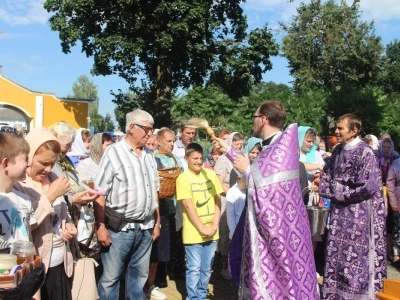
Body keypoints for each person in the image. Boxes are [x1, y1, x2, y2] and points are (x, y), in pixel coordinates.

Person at [214, 100, 319, 299]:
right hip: (279, 228)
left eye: (254, 117)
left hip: (275, 234)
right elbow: (259, 178)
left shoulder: (278, 151)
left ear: (263, 119)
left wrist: (246, 168)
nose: (252, 122)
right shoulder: (277, 149)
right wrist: (228, 151)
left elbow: (265, 190)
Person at [94, 109, 161, 300]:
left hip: (146, 227)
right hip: (119, 228)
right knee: (110, 279)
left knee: (138, 278)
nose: (150, 133)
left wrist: (157, 222)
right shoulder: (114, 153)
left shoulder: (149, 155)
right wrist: (101, 227)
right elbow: (100, 194)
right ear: (132, 128)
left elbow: (154, 192)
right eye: (147, 129)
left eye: (151, 129)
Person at [319, 113, 386, 299]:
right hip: (339, 214)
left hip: (359, 216)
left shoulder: (365, 153)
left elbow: (369, 186)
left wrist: (338, 190)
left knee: (355, 259)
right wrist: (329, 186)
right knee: (336, 255)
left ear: (354, 130)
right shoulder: (338, 150)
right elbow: (326, 175)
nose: (336, 131)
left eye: (340, 128)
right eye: (337, 128)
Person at [14, 127, 78, 300]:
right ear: (29, 156)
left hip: (60, 264)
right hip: (37, 268)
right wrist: (49, 196)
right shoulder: (20, 185)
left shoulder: (53, 179)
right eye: (43, 163)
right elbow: (24, 224)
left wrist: (69, 226)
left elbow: (63, 215)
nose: (48, 169)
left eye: (52, 163)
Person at [176, 142, 222, 300]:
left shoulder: (210, 174)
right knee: (194, 267)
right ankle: (193, 297)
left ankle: (201, 295)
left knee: (207, 268)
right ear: (186, 158)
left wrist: (215, 225)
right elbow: (188, 207)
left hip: (212, 231)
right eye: (194, 158)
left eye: (201, 158)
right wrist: (202, 228)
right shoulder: (183, 178)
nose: (198, 161)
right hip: (194, 232)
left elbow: (217, 200)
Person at [143, 128, 184, 300]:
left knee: (171, 245)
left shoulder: (176, 159)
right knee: (158, 247)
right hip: (160, 208)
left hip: (174, 207)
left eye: (173, 141)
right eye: (168, 141)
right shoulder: (153, 160)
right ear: (158, 141)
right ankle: (152, 283)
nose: (172, 144)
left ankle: (168, 275)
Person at [214, 132, 244, 279]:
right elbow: (218, 182)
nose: (239, 146)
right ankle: (225, 266)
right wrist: (232, 193)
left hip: (241, 197)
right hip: (228, 198)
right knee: (226, 232)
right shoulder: (222, 160)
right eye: (236, 143)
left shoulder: (241, 159)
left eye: (241, 143)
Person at [0, 133, 35, 251]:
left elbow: (28, 238)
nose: (29, 163)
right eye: (25, 159)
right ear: (6, 164)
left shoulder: (24, 199)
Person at [377, 137, 399, 260]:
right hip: (378, 193)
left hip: (391, 193)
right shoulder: (376, 158)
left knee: (390, 222)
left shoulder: (395, 159)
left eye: (388, 147)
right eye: (384, 147)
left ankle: (389, 251)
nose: (386, 149)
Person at [387, 157, 400, 265]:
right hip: (398, 200)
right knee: (397, 229)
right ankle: (396, 254)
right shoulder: (396, 163)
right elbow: (390, 184)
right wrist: (393, 202)